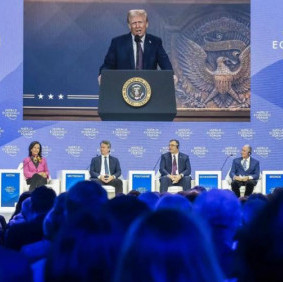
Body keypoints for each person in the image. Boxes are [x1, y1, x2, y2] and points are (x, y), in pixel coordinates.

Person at [98, 9, 173, 83]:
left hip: (149, 87)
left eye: (140, 22)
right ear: (129, 25)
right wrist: (102, 74)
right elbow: (108, 64)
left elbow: (165, 63)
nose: (137, 26)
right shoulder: (118, 43)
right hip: (123, 87)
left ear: (146, 24)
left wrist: (171, 75)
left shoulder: (155, 42)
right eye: (134, 23)